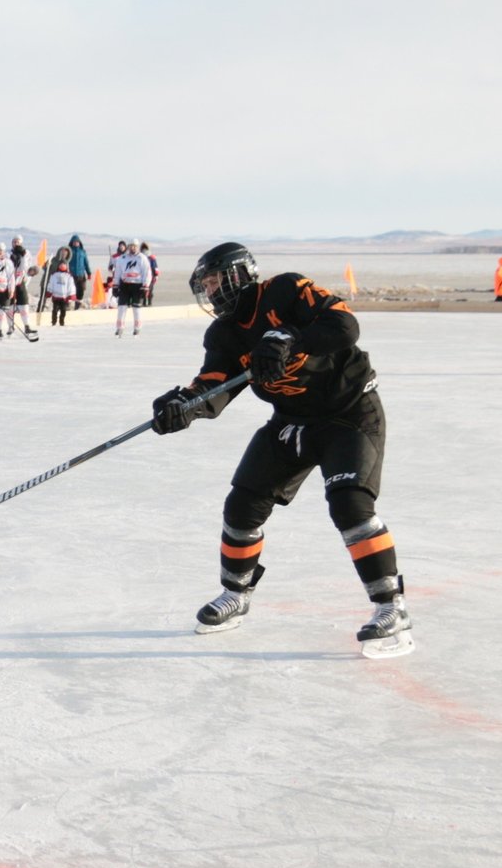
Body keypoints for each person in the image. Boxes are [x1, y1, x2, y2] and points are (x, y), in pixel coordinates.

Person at [152, 242, 412, 657]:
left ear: (239, 274)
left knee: (350, 505)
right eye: (206, 285)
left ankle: (391, 607)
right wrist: (184, 405)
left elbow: (345, 325)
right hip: (291, 421)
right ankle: (235, 595)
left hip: (349, 413)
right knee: (242, 505)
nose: (211, 291)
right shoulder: (223, 333)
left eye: (215, 280)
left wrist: (290, 335)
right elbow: (216, 385)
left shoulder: (285, 290)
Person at [113, 238, 152, 337]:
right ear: (128, 247)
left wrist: (145, 286)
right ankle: (120, 327)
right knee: (122, 307)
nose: (132, 248)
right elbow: (117, 272)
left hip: (137, 285)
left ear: (137, 247)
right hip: (125, 285)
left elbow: (147, 273)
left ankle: (137, 327)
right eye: (131, 246)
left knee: (136, 308)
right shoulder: (122, 258)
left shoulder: (142, 258)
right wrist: (115, 285)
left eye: (134, 246)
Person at [45, 258, 76, 327]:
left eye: (64, 264)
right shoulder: (54, 275)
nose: (62, 266)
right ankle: (54, 321)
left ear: (66, 266)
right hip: (56, 296)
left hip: (64, 297)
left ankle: (62, 321)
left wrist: (71, 295)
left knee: (63, 310)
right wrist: (49, 292)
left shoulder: (69, 276)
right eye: (61, 264)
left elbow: (71, 286)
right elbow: (51, 284)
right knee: (55, 310)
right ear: (58, 266)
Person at [68, 233, 91, 305]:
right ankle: (70, 305)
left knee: (81, 291)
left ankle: (78, 305)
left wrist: (89, 273)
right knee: (72, 291)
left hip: (81, 275)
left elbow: (86, 263)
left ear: (79, 243)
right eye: (74, 242)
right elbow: (65, 262)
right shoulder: (69, 251)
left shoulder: (82, 252)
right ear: (72, 242)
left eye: (77, 242)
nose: (76, 243)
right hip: (71, 275)